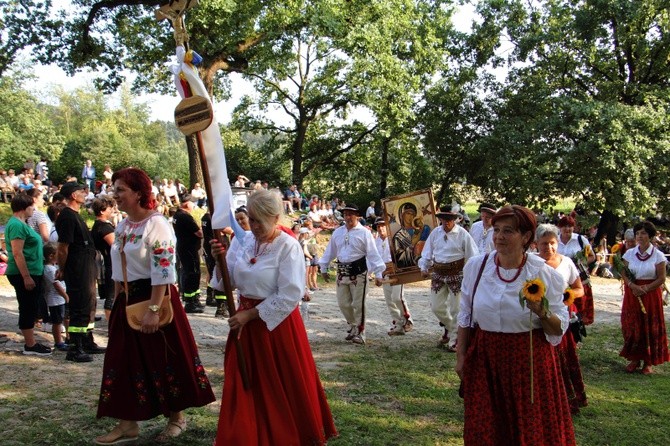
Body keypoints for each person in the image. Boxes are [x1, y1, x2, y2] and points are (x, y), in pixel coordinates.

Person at [94, 167, 215, 445]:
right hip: (127, 299)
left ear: (139, 193)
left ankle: (177, 418)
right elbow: (117, 267)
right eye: (115, 189)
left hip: (155, 298)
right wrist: (114, 300)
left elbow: (164, 268)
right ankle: (127, 424)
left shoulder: (157, 223)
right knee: (122, 359)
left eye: (121, 189)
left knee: (165, 356)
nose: (116, 194)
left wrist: (153, 309)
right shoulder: (123, 224)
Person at [209, 189, 337, 445]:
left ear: (276, 217)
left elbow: (291, 294)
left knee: (277, 385)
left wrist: (251, 315)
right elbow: (228, 283)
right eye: (251, 219)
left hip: (275, 326)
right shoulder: (242, 241)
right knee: (245, 385)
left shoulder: (287, 246)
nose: (253, 226)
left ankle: (281, 435)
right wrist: (219, 260)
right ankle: (246, 435)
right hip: (244, 325)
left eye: (259, 221)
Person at [456, 205, 575, 445]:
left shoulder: (545, 275)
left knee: (529, 428)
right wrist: (461, 358)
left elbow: (557, 330)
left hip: (528, 361)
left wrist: (542, 313)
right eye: (496, 229)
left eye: (508, 231)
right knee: (485, 427)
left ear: (526, 237)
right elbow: (466, 315)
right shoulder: (476, 268)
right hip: (486, 357)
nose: (499, 236)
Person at [536, 224, 588, 413]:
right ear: (535, 244)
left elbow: (579, 288)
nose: (548, 248)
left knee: (563, 359)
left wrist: (567, 296)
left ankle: (567, 400)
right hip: (537, 319)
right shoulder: (531, 263)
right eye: (544, 244)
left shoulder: (566, 262)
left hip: (560, 318)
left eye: (552, 243)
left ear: (557, 243)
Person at [319, 204, 385, 344]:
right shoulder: (338, 232)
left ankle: (361, 332)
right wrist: (323, 268)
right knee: (343, 303)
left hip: (359, 273)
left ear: (357, 216)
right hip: (342, 272)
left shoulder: (364, 233)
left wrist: (379, 273)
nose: (348, 217)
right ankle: (353, 326)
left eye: (351, 214)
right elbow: (330, 251)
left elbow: (373, 254)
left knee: (358, 304)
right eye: (346, 214)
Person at [418, 205, 478, 351]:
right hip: (438, 273)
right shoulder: (435, 233)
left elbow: (473, 256)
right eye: (444, 219)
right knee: (436, 307)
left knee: (457, 308)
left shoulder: (463, 234)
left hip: (457, 275)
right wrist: (424, 267)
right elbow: (427, 252)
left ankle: (455, 340)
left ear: (455, 220)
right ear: (440, 219)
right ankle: (452, 329)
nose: (447, 222)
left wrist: (471, 275)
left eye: (450, 219)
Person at [56, 181, 103, 363]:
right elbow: (62, 247)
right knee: (79, 305)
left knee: (89, 303)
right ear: (73, 196)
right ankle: (75, 347)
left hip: (86, 265)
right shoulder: (67, 216)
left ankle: (87, 341)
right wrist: (62, 268)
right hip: (77, 267)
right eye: (81, 191)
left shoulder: (76, 215)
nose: (85, 193)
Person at [620, 221, 669, 375]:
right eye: (638, 233)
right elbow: (624, 273)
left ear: (650, 235)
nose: (640, 236)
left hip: (650, 294)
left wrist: (646, 288)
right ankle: (635, 358)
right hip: (632, 293)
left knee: (648, 325)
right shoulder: (629, 254)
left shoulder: (659, 256)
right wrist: (633, 287)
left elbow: (661, 278)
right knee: (633, 325)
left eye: (643, 233)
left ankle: (648, 362)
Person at [5, 193, 51, 356]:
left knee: (30, 306)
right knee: (27, 306)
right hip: (24, 272)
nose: (34, 209)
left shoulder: (21, 224)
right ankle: (30, 345)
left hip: (32, 271)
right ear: (24, 208)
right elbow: (17, 253)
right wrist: (26, 276)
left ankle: (31, 342)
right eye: (32, 206)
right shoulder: (17, 225)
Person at [374, 217, 413, 336]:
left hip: (396, 272)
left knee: (397, 297)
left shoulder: (395, 238)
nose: (381, 228)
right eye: (378, 226)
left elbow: (405, 253)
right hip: (384, 272)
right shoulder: (376, 242)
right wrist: (377, 275)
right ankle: (398, 325)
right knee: (389, 300)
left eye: (383, 225)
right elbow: (374, 259)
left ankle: (407, 319)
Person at [557, 215, 596, 325]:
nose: (567, 229)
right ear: (560, 227)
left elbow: (592, 256)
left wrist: (581, 263)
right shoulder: (554, 240)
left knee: (579, 304)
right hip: (561, 278)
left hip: (577, 277)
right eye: (564, 226)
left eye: (570, 226)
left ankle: (578, 325)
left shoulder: (580, 239)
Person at [172, 195, 205, 313]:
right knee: (193, 273)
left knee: (189, 272)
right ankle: (190, 302)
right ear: (187, 204)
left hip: (184, 247)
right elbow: (199, 233)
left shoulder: (177, 215)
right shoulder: (185, 217)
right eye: (193, 203)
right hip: (189, 249)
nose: (194, 206)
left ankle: (193, 299)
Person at [91, 196, 117, 321]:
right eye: (110, 208)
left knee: (111, 295)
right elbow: (116, 246)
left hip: (107, 265)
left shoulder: (99, 225)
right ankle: (112, 325)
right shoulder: (104, 228)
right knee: (111, 296)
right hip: (109, 265)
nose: (112, 210)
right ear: (102, 211)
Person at [42, 242, 69, 351]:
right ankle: (58, 342)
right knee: (57, 322)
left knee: (61, 319)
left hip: (59, 299)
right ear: (51, 256)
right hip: (56, 300)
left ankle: (66, 338)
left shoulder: (54, 267)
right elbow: (57, 285)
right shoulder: (49, 269)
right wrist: (66, 296)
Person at [392, 202, 431, 269]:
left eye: (413, 214)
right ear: (402, 215)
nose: (411, 216)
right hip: (409, 269)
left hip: (425, 266)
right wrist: (412, 246)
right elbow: (398, 259)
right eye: (408, 214)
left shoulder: (420, 230)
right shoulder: (398, 236)